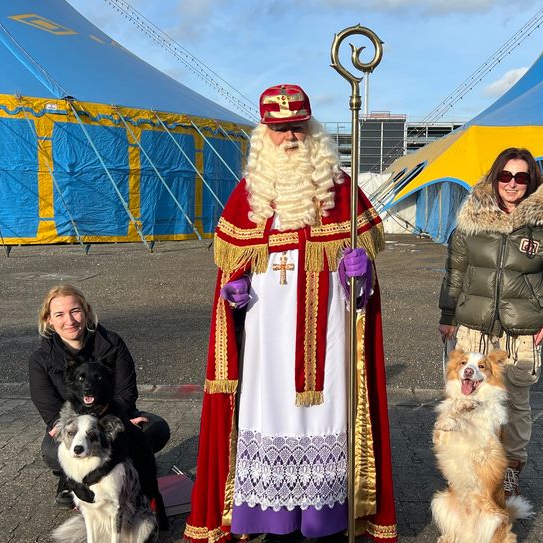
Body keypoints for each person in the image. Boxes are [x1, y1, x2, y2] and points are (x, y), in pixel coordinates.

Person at [184, 84, 397, 543]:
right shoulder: (249, 196)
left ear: (313, 128)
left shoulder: (341, 192)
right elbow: (230, 273)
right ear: (265, 134)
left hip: (331, 344)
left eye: (298, 127)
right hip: (265, 348)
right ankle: (272, 523)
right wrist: (233, 291)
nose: (291, 137)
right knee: (267, 420)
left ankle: (325, 522)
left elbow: (364, 297)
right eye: (280, 130)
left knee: (330, 425)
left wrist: (360, 278)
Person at [438, 147, 543, 497]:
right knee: (467, 397)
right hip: (474, 327)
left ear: (531, 181)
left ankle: (511, 470)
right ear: (495, 177)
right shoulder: (471, 224)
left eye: (521, 177)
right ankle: (469, 469)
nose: (512, 184)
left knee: (515, 403)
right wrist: (447, 314)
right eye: (506, 176)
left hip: (521, 332)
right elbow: (455, 272)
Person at [29, 283, 171, 507]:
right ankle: (73, 478)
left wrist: (121, 419)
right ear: (49, 320)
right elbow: (49, 406)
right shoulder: (40, 359)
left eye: (75, 311)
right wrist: (62, 425)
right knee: (50, 450)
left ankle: (127, 472)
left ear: (86, 312)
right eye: (60, 314)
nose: (70, 320)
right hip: (73, 425)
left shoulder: (111, 343)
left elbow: (126, 391)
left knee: (156, 428)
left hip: (113, 415)